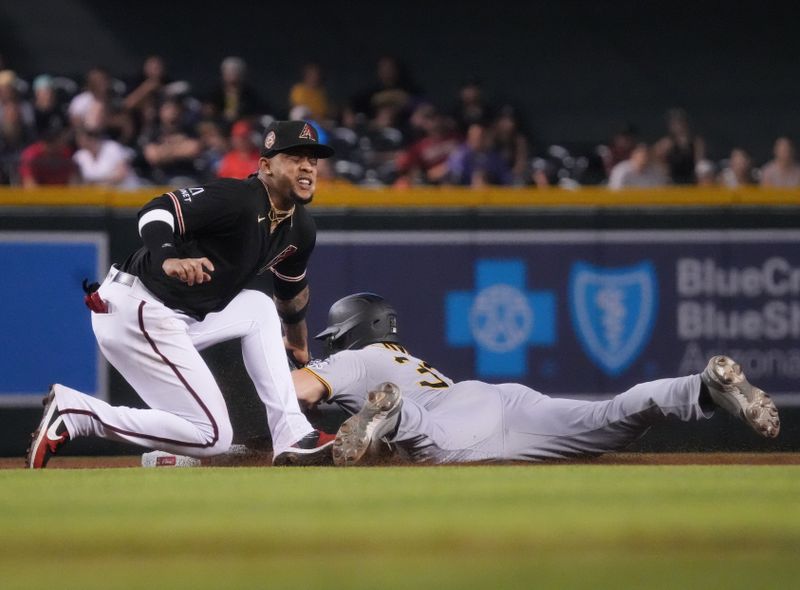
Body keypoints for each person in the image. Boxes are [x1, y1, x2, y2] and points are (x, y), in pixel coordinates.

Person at [26, 120, 337, 469]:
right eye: (295, 157)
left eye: (313, 158)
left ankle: (291, 435)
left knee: (258, 307)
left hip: (176, 315)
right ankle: (77, 413)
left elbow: (290, 289)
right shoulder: (238, 199)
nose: (308, 165)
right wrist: (168, 256)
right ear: (266, 166)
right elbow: (155, 210)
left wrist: (297, 341)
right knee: (213, 436)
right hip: (136, 308)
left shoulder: (300, 227)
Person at [292, 293, 780, 466]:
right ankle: (700, 388)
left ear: (353, 330)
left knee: (431, 443)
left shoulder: (355, 360)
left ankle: (394, 414)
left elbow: (293, 390)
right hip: (500, 397)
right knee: (607, 417)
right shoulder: (401, 355)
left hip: (449, 415)